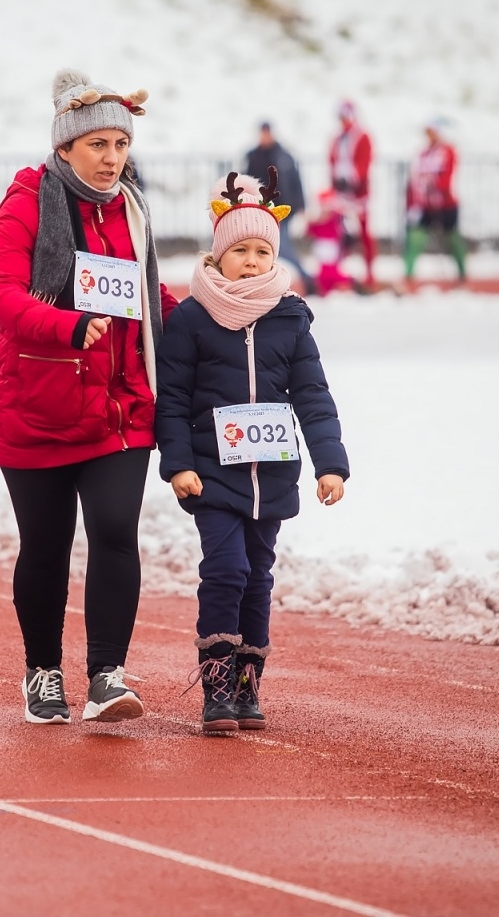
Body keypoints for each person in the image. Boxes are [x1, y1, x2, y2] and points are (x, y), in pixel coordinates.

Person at [0, 68, 178, 726]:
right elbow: (0, 293)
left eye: (120, 146)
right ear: (65, 148)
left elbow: (141, 295)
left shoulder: (132, 208)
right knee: (45, 544)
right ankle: (42, 673)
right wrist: (67, 324)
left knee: (116, 529)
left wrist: (217, 311)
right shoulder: (29, 202)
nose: (112, 159)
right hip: (38, 401)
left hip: (119, 404)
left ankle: (106, 677)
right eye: (98, 146)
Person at [156, 170, 349, 734]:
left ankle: (247, 684)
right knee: (226, 567)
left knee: (259, 576)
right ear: (219, 256)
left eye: (263, 250)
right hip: (212, 474)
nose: (252, 260)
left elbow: (313, 394)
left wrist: (330, 463)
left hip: (274, 473)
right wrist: (179, 464)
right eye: (239, 250)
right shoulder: (193, 318)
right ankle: (215, 686)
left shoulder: (289, 318)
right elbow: (172, 398)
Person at [313, 99, 376, 294]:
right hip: (341, 192)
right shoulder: (337, 138)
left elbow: (364, 161)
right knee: (340, 232)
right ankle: (339, 271)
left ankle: (369, 272)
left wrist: (354, 179)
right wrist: (335, 183)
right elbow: (332, 160)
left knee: (364, 232)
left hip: (358, 193)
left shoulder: (362, 136)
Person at [243, 121, 313, 294]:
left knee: (281, 247)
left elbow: (295, 181)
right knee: (270, 247)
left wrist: (301, 205)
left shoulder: (283, 155)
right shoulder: (254, 156)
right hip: (262, 209)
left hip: (283, 209)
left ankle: (306, 279)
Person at [404, 116, 467, 285]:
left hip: (445, 204)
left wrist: (435, 186)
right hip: (424, 205)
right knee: (415, 237)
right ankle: (408, 275)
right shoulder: (422, 154)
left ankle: (462, 274)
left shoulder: (448, 151)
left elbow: (447, 177)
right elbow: (414, 178)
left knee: (452, 239)